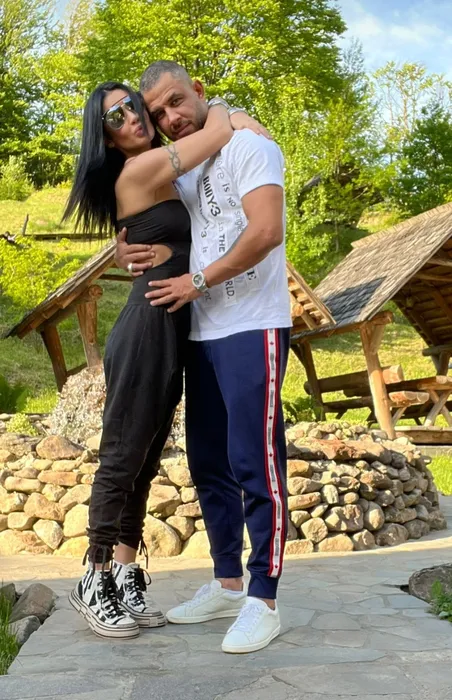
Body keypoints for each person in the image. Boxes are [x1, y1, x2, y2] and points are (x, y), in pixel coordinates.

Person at [63, 80, 262, 639]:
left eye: (133, 105)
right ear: (107, 138)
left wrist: (167, 250)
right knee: (122, 454)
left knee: (146, 459)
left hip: (176, 326)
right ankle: (93, 576)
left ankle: (125, 574)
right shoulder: (141, 169)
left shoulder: (167, 173)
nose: (131, 117)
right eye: (115, 117)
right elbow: (216, 131)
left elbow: (192, 238)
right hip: (148, 324)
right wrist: (224, 107)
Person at [115, 61, 292, 654]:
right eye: (157, 112)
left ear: (199, 91)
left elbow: (265, 231)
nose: (169, 117)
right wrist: (123, 249)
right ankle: (226, 583)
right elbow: (156, 223)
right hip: (201, 333)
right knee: (209, 462)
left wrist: (196, 281)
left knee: (256, 461)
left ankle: (264, 599)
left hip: (252, 325)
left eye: (176, 102)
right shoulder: (185, 168)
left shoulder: (249, 146)